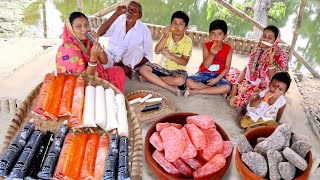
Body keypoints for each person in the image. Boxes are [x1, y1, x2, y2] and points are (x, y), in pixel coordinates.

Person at [56, 12, 125, 93]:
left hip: (93, 76)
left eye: (86, 25)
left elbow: (104, 61)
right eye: (78, 26)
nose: (84, 30)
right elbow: (84, 81)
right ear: (71, 30)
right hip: (79, 88)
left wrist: (96, 42)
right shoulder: (68, 51)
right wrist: (93, 58)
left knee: (117, 71)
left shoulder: (87, 41)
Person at [227, 25, 288, 107]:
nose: (265, 39)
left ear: (275, 40)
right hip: (252, 82)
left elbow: (275, 81)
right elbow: (246, 70)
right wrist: (235, 84)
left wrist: (271, 59)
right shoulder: (258, 50)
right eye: (264, 36)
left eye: (269, 38)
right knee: (229, 75)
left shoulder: (280, 56)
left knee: (246, 101)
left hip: (268, 88)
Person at [139, 11, 192, 96]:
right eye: (174, 23)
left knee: (180, 81)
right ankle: (169, 87)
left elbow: (184, 61)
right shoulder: (167, 35)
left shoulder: (188, 41)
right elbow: (156, 51)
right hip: (162, 67)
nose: (176, 26)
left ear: (186, 28)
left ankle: (150, 79)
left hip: (177, 71)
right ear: (171, 24)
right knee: (143, 69)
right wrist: (165, 36)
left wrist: (171, 56)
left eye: (180, 24)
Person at [97, 1, 153, 79]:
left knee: (137, 50)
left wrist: (131, 65)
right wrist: (116, 14)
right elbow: (99, 33)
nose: (130, 12)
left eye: (134, 10)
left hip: (127, 61)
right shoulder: (118, 19)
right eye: (128, 9)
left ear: (139, 16)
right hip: (111, 55)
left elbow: (148, 56)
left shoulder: (144, 30)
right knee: (100, 56)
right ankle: (122, 70)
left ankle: (123, 68)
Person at [184, 19, 233, 97]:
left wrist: (216, 79)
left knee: (227, 88)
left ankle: (197, 91)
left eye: (219, 34)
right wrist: (212, 54)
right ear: (209, 34)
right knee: (188, 81)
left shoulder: (228, 48)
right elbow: (206, 66)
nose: (216, 37)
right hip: (204, 73)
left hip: (218, 76)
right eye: (213, 34)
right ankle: (215, 91)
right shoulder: (206, 46)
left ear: (225, 36)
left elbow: (227, 68)